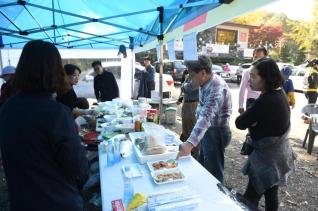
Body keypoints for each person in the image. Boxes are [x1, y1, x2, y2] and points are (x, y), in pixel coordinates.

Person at [0, 40, 89, 211]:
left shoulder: (6, 109)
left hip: (21, 200)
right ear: (55, 70)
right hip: (58, 201)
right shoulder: (57, 113)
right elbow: (78, 168)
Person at [235, 58, 296, 211]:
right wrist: (253, 121)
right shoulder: (279, 92)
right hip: (279, 153)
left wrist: (252, 120)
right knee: (271, 192)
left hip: (267, 159)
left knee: (249, 199)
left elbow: (239, 123)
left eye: (254, 76)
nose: (250, 79)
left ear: (266, 78)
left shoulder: (265, 101)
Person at [177, 55, 232, 183]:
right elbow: (202, 108)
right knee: (203, 165)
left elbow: (206, 117)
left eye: (191, 75)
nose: (190, 79)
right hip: (209, 130)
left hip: (216, 131)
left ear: (203, 73)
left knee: (213, 173)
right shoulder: (205, 82)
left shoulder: (216, 88)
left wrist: (189, 144)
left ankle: (215, 198)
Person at [177, 69, 200, 160]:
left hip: (192, 104)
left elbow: (189, 88)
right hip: (187, 103)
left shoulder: (196, 75)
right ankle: (188, 150)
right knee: (185, 127)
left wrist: (183, 85)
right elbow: (184, 88)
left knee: (191, 128)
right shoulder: (189, 75)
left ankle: (194, 152)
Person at [238, 47, 267, 113]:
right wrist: (240, 106)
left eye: (260, 58)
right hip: (252, 100)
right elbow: (242, 89)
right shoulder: (248, 72)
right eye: (255, 57)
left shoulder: (268, 71)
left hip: (265, 100)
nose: (257, 60)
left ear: (265, 57)